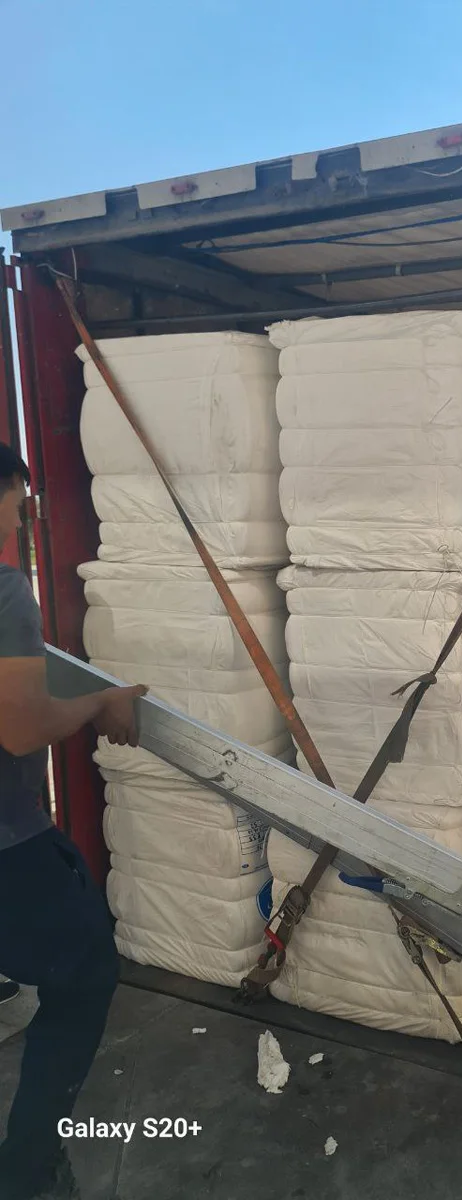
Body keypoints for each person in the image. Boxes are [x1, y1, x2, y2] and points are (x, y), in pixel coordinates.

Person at [0, 442, 146, 1200]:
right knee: (85, 974)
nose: (20, 522)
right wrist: (100, 702)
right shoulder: (5, 593)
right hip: (7, 842)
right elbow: (22, 727)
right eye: (17, 505)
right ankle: (27, 1171)